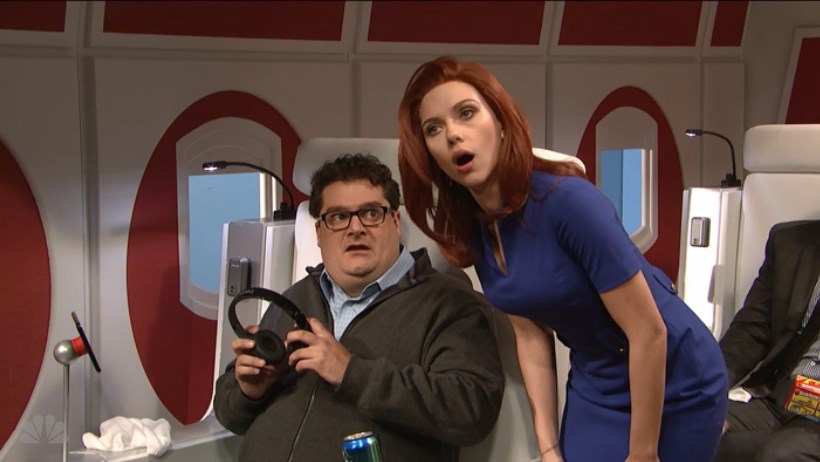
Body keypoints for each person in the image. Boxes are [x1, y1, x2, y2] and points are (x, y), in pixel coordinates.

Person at [397, 55, 728, 462]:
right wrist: (548, 446)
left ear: (501, 122)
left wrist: (643, 453)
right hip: (596, 381)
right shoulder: (476, 227)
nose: (452, 135)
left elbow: (649, 332)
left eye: (466, 113)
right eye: (434, 129)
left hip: (674, 378)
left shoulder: (569, 202)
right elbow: (530, 335)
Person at [213, 153, 504, 462]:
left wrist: (351, 372)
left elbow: (472, 410)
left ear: (395, 222)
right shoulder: (296, 298)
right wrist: (249, 392)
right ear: (319, 233)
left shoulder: (449, 303)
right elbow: (229, 413)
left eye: (371, 213)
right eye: (338, 217)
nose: (355, 228)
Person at [715, 219, 820, 462]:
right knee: (690, 426)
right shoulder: (790, 242)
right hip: (779, 395)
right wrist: (708, 388)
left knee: (781, 456)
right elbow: (753, 330)